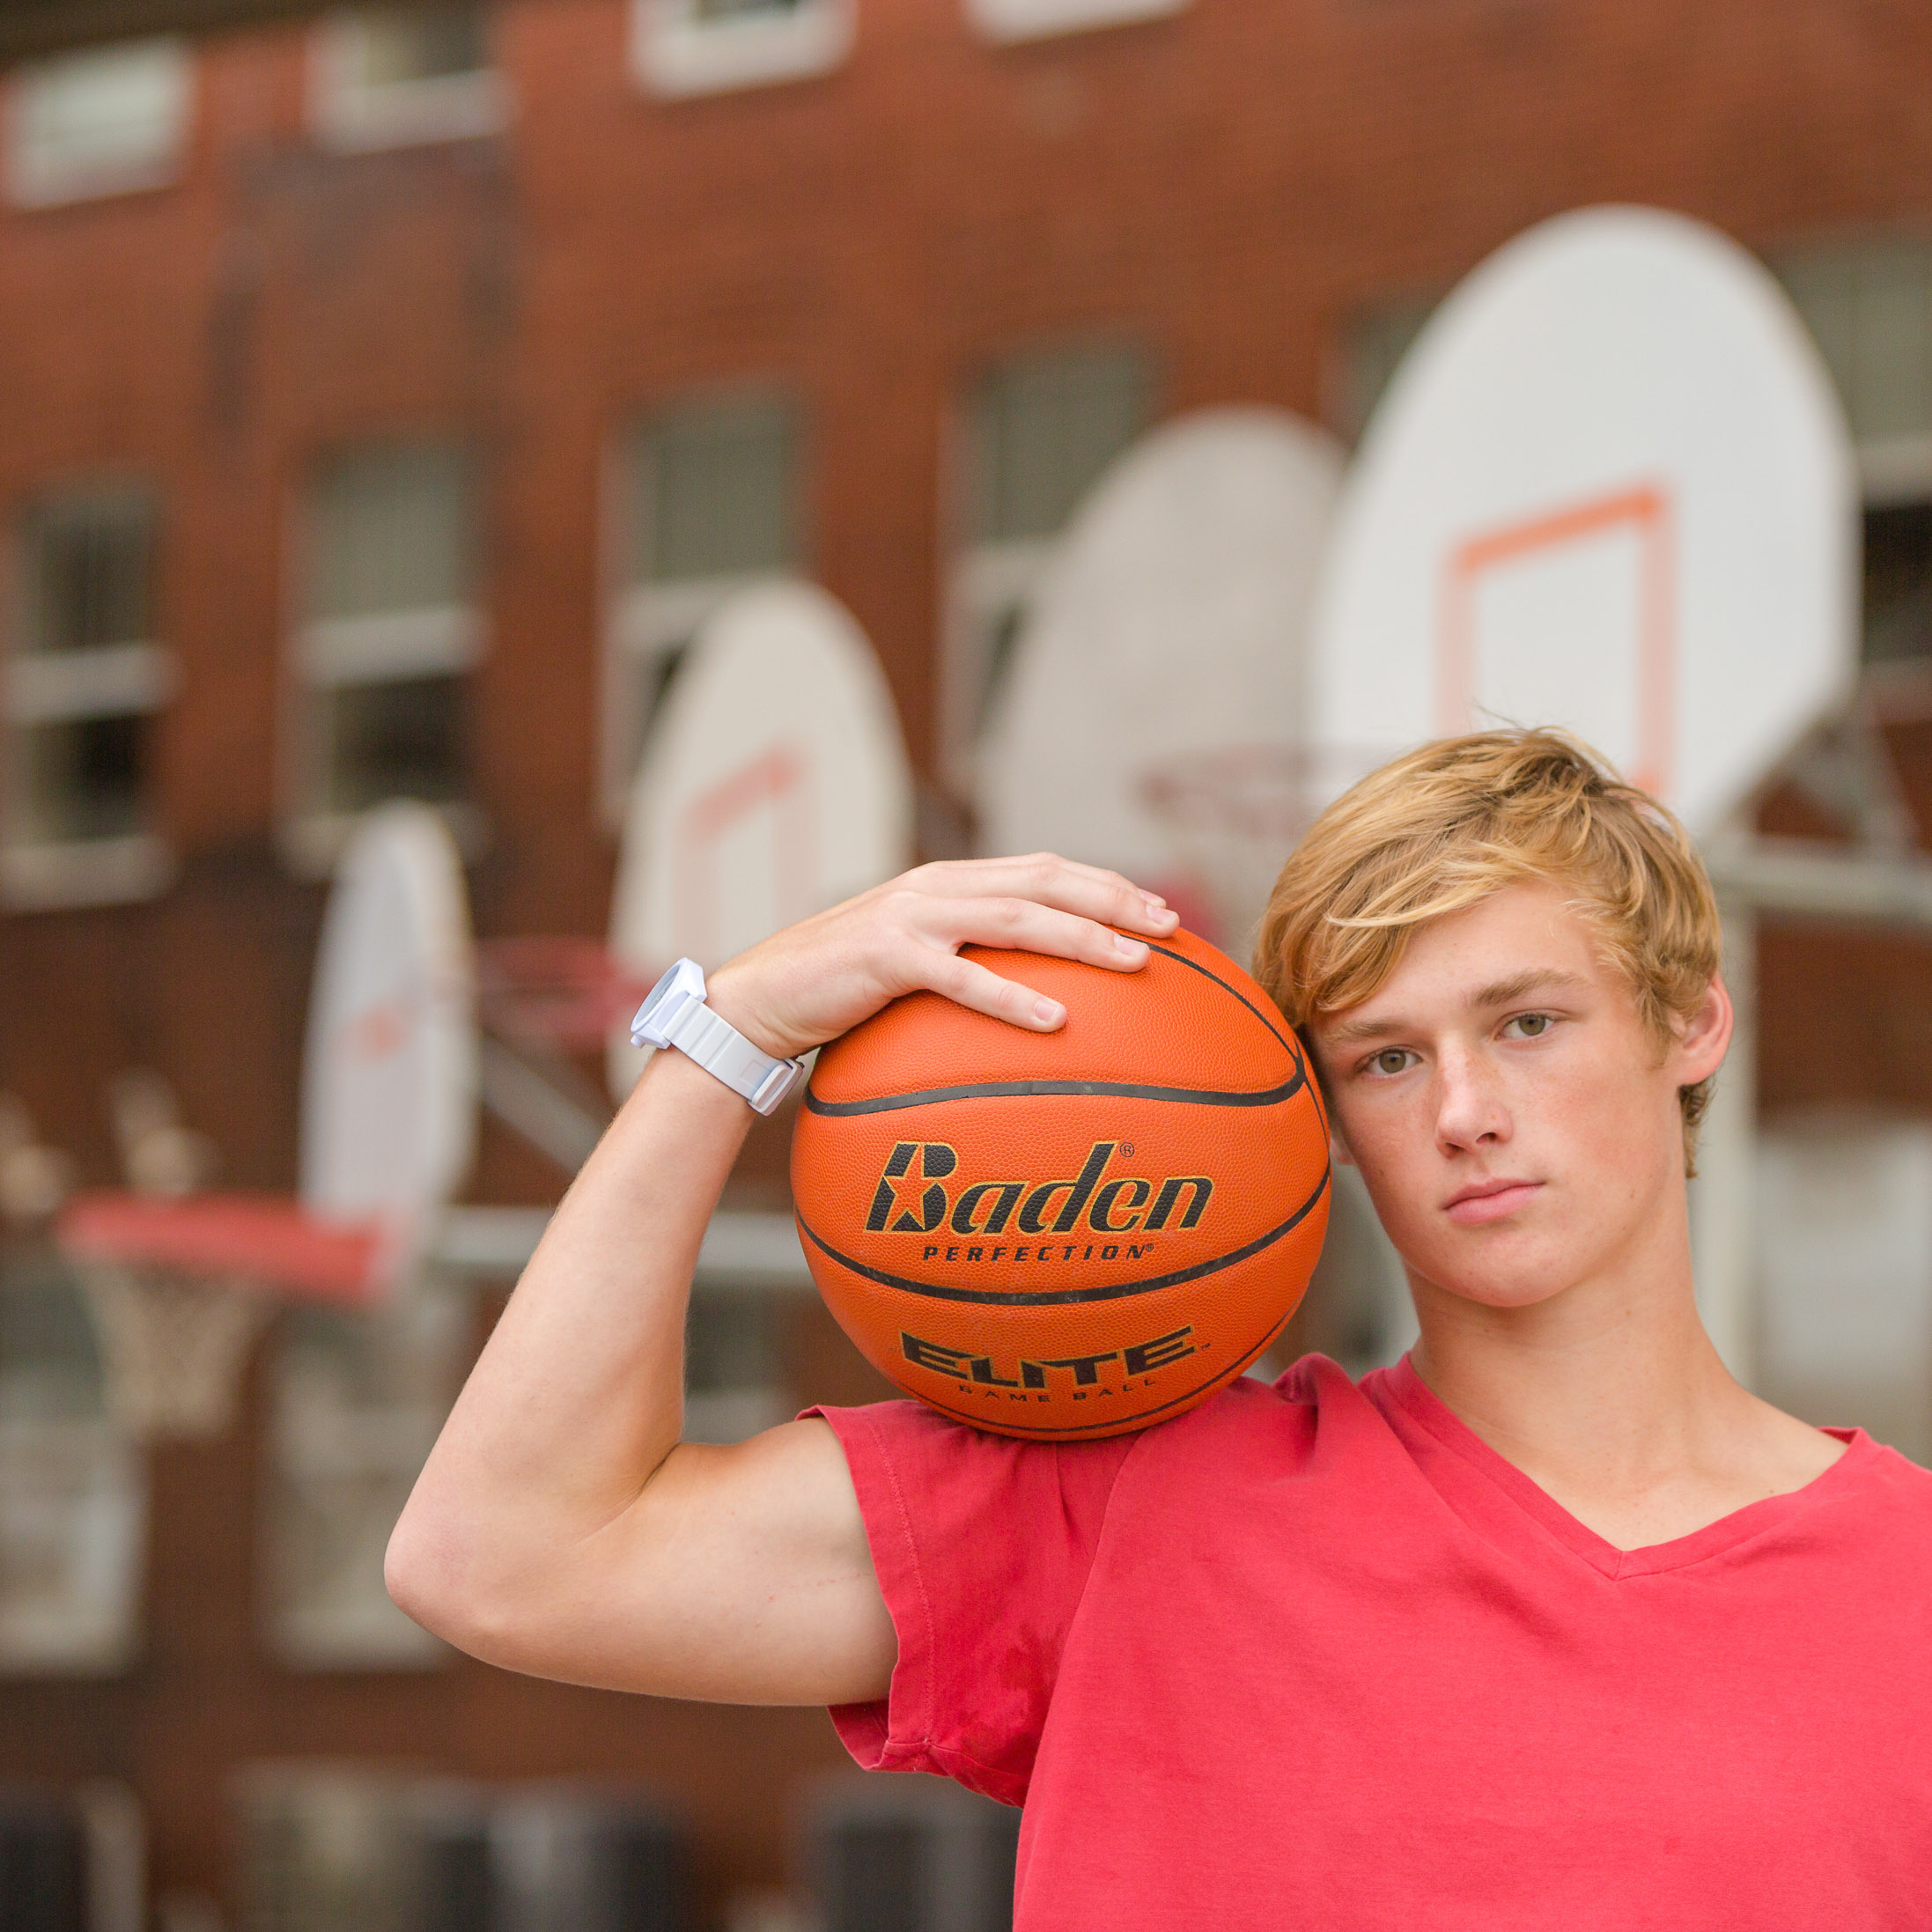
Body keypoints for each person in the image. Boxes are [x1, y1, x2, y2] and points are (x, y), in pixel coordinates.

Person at [387, 729, 1931, 1925]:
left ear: (1687, 1017)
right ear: (1319, 1119)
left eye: (1526, 1022)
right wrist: (741, 1029)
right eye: (1387, 1060)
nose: (1465, 1111)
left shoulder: (1905, 1587)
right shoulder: (1132, 1500)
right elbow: (502, 1555)